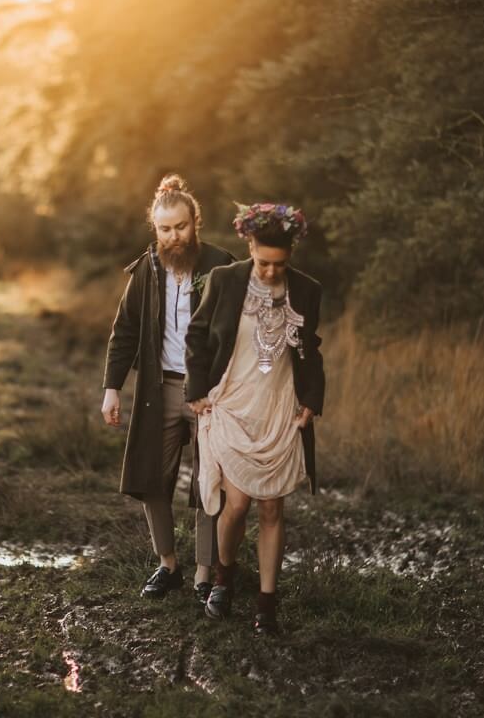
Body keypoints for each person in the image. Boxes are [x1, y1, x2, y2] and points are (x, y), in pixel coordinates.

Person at [185, 202, 325, 634]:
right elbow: (197, 333)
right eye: (263, 262)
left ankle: (267, 603)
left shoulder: (306, 290)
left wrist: (312, 399)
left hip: (278, 405)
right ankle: (224, 577)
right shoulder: (226, 281)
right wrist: (196, 392)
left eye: (279, 264)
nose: (270, 271)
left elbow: (311, 348)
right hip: (232, 401)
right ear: (249, 246)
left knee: (271, 508)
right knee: (237, 504)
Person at [101, 174, 236, 601]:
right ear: (154, 230)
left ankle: (203, 572)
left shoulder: (221, 264)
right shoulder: (147, 269)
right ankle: (168, 565)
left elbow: (238, 334)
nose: (174, 237)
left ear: (195, 222)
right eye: (164, 229)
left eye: (181, 227)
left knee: (209, 483)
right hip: (158, 391)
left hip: (209, 395)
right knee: (151, 478)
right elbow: (124, 330)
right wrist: (112, 388)